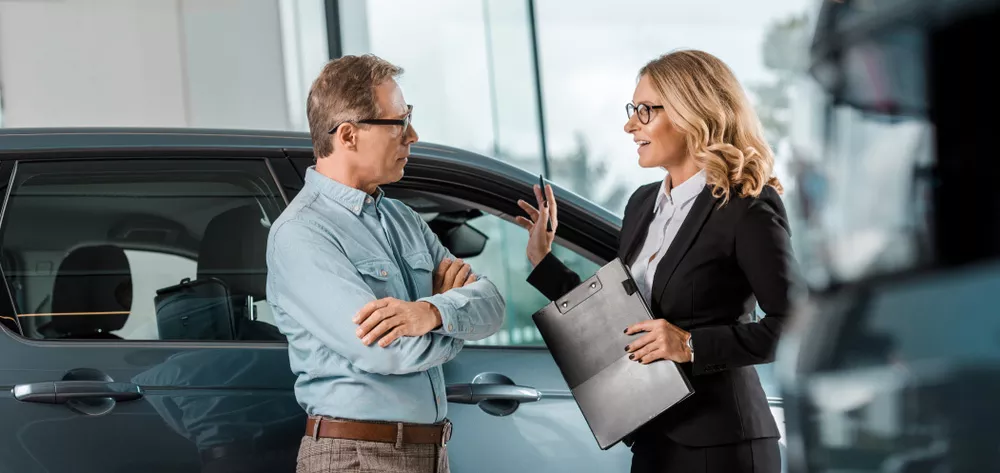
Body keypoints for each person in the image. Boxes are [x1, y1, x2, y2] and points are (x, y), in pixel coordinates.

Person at [516, 49, 793, 473]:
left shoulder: (746, 206)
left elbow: (793, 325)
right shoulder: (642, 204)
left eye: (644, 111)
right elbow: (620, 317)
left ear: (689, 112)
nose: (630, 125)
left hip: (722, 447)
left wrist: (691, 344)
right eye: (633, 111)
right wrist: (543, 260)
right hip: (652, 439)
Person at [266, 54, 506, 473]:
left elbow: (493, 305)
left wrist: (429, 311)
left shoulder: (404, 220)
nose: (412, 135)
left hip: (429, 453)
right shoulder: (302, 234)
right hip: (357, 457)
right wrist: (454, 319)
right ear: (348, 134)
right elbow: (389, 353)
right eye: (398, 122)